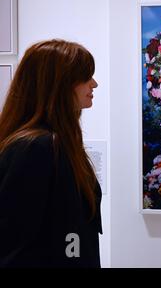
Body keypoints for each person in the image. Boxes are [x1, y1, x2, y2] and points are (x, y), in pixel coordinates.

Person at [0, 39, 102, 267]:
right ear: (60, 84)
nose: (94, 84)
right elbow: (16, 246)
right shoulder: (35, 147)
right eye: (86, 77)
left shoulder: (56, 144)